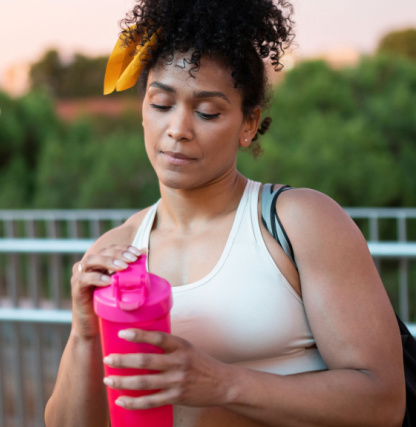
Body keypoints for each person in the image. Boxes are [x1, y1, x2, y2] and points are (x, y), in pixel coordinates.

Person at [44, 0, 406, 425]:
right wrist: (85, 333)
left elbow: (382, 401)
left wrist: (222, 383)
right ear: (142, 112)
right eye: (161, 104)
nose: (178, 128)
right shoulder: (118, 250)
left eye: (207, 112)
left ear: (248, 125)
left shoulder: (298, 223)